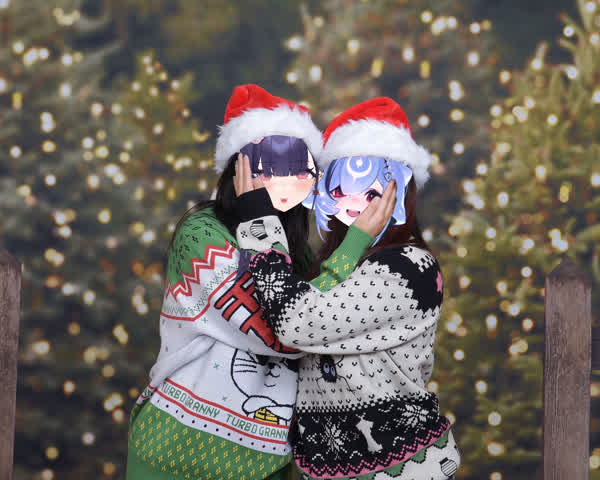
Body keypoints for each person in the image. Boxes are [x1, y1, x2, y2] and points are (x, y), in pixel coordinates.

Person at [234, 97, 461, 480]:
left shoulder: (410, 267)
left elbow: (296, 322)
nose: (358, 205)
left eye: (372, 194)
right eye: (343, 191)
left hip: (401, 469)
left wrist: (259, 221)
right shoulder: (340, 261)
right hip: (330, 469)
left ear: (400, 194)